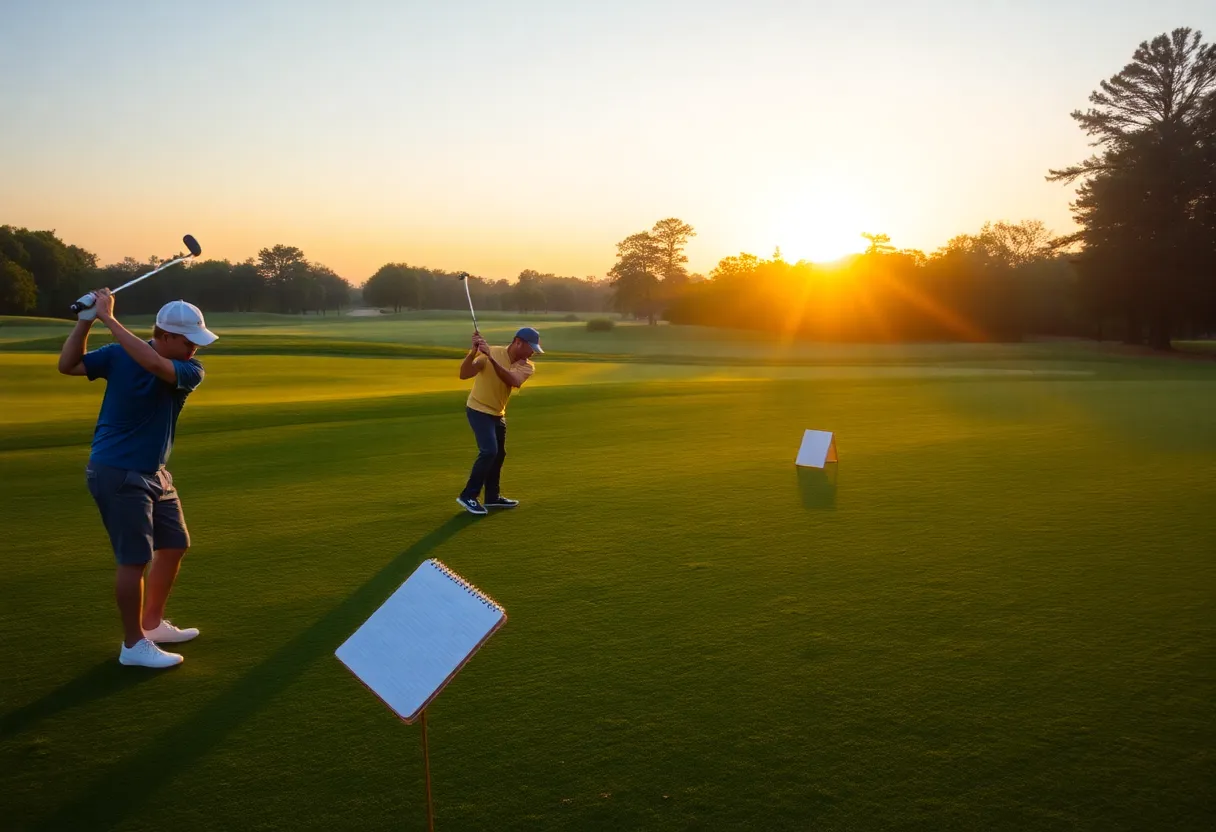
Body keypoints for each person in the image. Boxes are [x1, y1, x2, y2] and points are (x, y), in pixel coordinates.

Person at [57, 288, 218, 669]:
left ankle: (152, 625)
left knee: (175, 544)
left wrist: (109, 319)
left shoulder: (189, 370)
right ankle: (133, 645)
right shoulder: (118, 355)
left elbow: (156, 366)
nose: (195, 348)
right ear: (163, 334)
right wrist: (85, 323)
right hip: (116, 469)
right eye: (188, 341)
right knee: (134, 560)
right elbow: (69, 365)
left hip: (155, 472)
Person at [456, 326, 542, 515]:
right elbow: (464, 374)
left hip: (497, 414)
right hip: (477, 409)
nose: (533, 353)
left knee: (499, 454)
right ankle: (468, 495)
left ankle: (492, 497)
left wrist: (491, 358)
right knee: (489, 451)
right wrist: (473, 353)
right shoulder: (493, 352)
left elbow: (512, 380)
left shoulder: (526, 366)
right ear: (518, 342)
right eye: (531, 348)